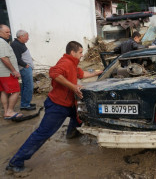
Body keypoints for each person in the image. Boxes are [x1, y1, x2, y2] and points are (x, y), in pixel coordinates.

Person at [6, 41, 103, 174]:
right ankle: (15, 162)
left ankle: (71, 135)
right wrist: (74, 87)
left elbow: (82, 74)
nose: (82, 55)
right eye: (80, 52)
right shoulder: (65, 62)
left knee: (79, 117)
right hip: (58, 105)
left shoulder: (73, 64)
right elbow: (54, 74)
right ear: (73, 52)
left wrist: (100, 72)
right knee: (42, 133)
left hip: (70, 103)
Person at [0, 24, 23, 120]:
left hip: (2, 73)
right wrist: (14, 71)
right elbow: (4, 58)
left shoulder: (3, 42)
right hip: (7, 73)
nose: (9, 34)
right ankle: (10, 111)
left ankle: (6, 112)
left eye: (9, 32)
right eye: (7, 32)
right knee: (16, 91)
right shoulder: (1, 42)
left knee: (4, 91)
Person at [11, 30, 36, 111]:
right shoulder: (15, 45)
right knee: (28, 86)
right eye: (27, 36)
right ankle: (25, 105)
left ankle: (26, 103)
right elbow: (17, 58)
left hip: (26, 68)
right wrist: (26, 65)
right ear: (21, 36)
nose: (28, 38)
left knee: (26, 86)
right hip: (24, 69)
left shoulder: (20, 44)